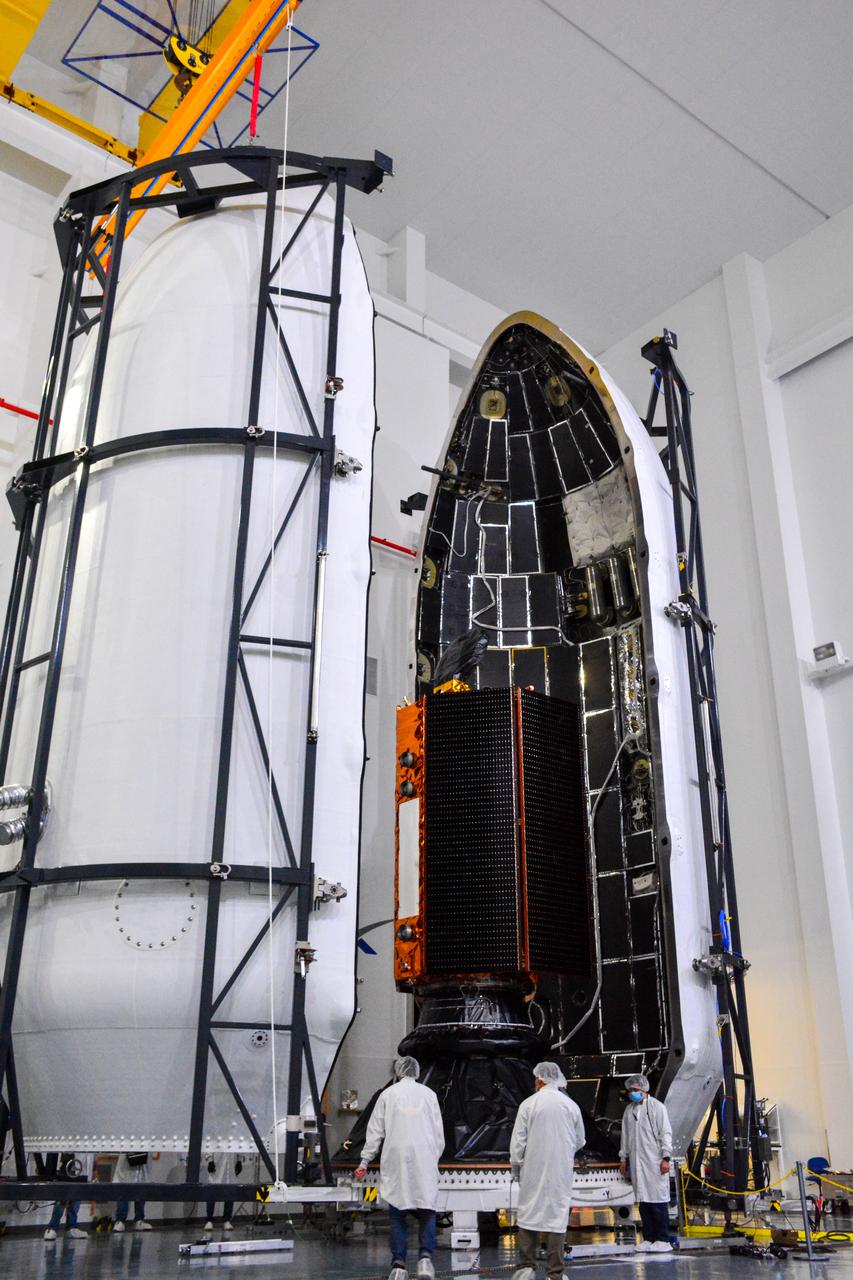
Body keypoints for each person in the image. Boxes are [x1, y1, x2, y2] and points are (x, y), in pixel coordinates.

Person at [354, 1055, 444, 1280]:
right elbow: (438, 1133)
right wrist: (433, 1158)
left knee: (397, 1213)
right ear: (416, 1071)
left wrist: (365, 1161)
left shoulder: (388, 1095)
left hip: (396, 1159)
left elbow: (375, 1131)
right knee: (427, 1210)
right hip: (424, 1157)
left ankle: (398, 1266)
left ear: (398, 1072)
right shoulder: (429, 1095)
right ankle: (425, 1260)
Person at [509, 1062, 585, 1280]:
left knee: (529, 1213)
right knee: (556, 1217)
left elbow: (518, 1141)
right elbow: (580, 1139)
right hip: (560, 1171)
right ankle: (555, 1273)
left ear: (540, 1080)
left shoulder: (528, 1104)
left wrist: (516, 1165)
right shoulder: (570, 1106)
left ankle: (526, 1268)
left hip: (532, 1169)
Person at [619, 1074, 674, 1253]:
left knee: (657, 1201)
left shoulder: (657, 1108)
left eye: (635, 1090)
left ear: (644, 1089)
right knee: (643, 1202)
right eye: (631, 1091)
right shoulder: (629, 1110)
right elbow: (625, 1137)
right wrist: (623, 1158)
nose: (632, 1093)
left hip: (654, 1162)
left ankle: (663, 1239)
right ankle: (649, 1238)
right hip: (637, 1163)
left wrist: (666, 1158)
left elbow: (665, 1133)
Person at [113, 1151, 152, 1232]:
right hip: (127, 1157)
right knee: (124, 1188)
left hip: (144, 1159)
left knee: (142, 1187)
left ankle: (139, 1220)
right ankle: (120, 1220)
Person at [204, 1153, 241, 1231]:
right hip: (217, 1164)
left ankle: (227, 1220)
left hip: (231, 1164)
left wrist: (239, 1160)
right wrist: (210, 1160)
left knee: (229, 1193)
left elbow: (239, 1147)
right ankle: (209, 1220)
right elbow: (210, 1145)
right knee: (212, 1193)